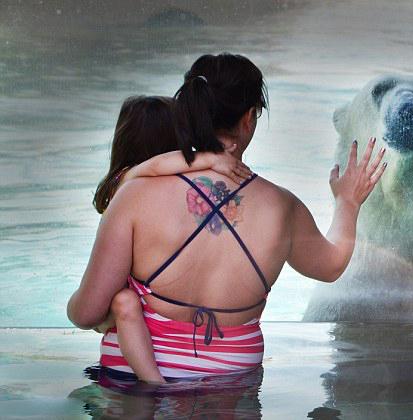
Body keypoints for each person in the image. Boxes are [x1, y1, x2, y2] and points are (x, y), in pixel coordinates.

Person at [67, 53, 387, 382]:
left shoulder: (135, 194)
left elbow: (88, 312)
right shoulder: (282, 207)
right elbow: (331, 265)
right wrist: (347, 203)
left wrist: (89, 307)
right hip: (230, 393)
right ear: (249, 118)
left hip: (129, 390)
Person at [93, 95, 254, 384]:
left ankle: (154, 385)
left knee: (123, 304)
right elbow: (155, 167)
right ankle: (155, 384)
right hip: (130, 297)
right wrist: (209, 159)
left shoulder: (132, 184)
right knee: (124, 302)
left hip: (127, 299)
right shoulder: (132, 179)